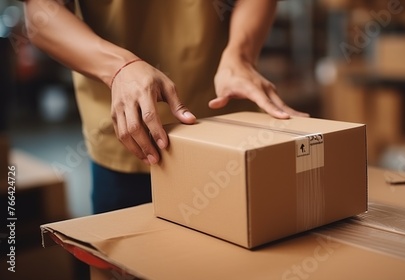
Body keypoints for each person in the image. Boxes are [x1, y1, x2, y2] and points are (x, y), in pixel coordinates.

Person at [22, 0, 308, 214]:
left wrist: (241, 54)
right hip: (127, 139)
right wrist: (119, 67)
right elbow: (41, 12)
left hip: (227, 131)